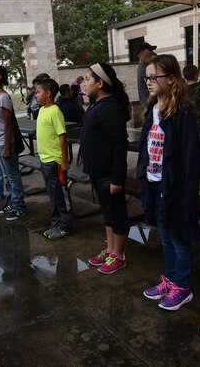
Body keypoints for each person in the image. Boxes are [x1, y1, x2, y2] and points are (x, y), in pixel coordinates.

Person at [138, 54, 200, 311]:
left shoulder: (182, 113)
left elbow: (190, 157)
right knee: (164, 236)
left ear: (172, 79)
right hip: (154, 183)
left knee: (178, 236)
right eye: (147, 78)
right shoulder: (151, 110)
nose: (149, 82)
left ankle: (182, 286)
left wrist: (187, 193)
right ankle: (171, 279)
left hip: (173, 186)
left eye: (154, 77)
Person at [80, 63, 130, 275]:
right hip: (98, 172)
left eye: (87, 80)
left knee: (117, 213)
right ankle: (110, 250)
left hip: (109, 174)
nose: (84, 84)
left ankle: (118, 255)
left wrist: (117, 179)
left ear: (100, 83)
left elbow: (120, 144)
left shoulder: (110, 108)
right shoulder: (96, 105)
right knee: (107, 213)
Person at [0, 65, 27, 221]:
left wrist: (7, 147)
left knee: (13, 176)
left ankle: (19, 207)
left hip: (5, 142)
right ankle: (11, 202)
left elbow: (8, 123)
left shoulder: (3, 97)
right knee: (7, 176)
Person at [37, 78, 72, 240]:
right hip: (45, 160)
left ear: (48, 93)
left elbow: (62, 137)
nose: (36, 95)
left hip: (55, 162)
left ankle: (65, 225)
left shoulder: (55, 111)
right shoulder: (42, 110)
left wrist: (64, 161)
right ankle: (56, 223)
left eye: (38, 92)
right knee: (53, 194)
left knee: (60, 194)